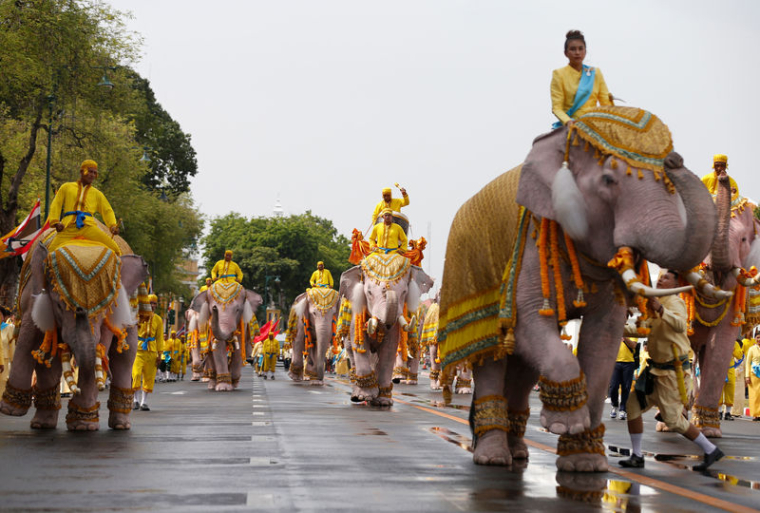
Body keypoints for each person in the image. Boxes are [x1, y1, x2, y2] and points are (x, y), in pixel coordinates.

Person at [620, 270, 724, 471]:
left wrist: (660, 309)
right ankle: (637, 455)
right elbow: (644, 329)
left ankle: (710, 449)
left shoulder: (676, 303)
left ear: (676, 283)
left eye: (666, 277)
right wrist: (619, 326)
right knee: (632, 406)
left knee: (674, 421)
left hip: (672, 373)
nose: (660, 279)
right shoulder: (654, 303)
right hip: (653, 371)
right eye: (660, 276)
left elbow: (678, 326)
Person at [46, 159, 122, 255]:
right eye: (90, 171)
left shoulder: (97, 194)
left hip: (89, 227)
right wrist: (56, 222)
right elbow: (56, 204)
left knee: (115, 249)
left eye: (95, 173)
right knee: (50, 252)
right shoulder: (66, 187)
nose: (92, 175)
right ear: (82, 171)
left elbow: (107, 210)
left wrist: (112, 226)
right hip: (68, 227)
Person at [550, 30, 613, 128]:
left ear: (585, 51)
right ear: (566, 53)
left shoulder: (595, 73)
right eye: (573, 49)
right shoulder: (559, 74)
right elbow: (557, 108)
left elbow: (606, 105)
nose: (577, 53)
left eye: (580, 49)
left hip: (594, 123)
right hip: (572, 123)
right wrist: (568, 121)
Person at [131, 292, 164, 411]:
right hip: (138, 349)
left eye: (155, 303)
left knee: (149, 377)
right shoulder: (138, 316)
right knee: (136, 374)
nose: (153, 305)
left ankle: (144, 402)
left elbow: (160, 337)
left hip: (152, 350)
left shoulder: (158, 319)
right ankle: (135, 400)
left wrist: (160, 354)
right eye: (150, 303)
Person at [609, 337, 638, 421]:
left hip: (629, 363)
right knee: (613, 386)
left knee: (626, 387)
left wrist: (625, 337)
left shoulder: (631, 332)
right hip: (615, 362)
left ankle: (623, 409)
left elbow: (633, 345)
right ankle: (614, 405)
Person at [719, 339, 745, 421]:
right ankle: (719, 412)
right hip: (719, 368)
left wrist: (733, 349)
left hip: (730, 369)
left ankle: (728, 413)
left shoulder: (735, 343)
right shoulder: (718, 341)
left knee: (730, 391)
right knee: (719, 391)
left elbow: (739, 355)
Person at [746, 332, 760, 421]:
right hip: (754, 374)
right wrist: (747, 376)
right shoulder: (752, 349)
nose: (759, 340)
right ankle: (755, 414)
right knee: (754, 395)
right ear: (755, 338)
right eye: (758, 337)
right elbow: (747, 363)